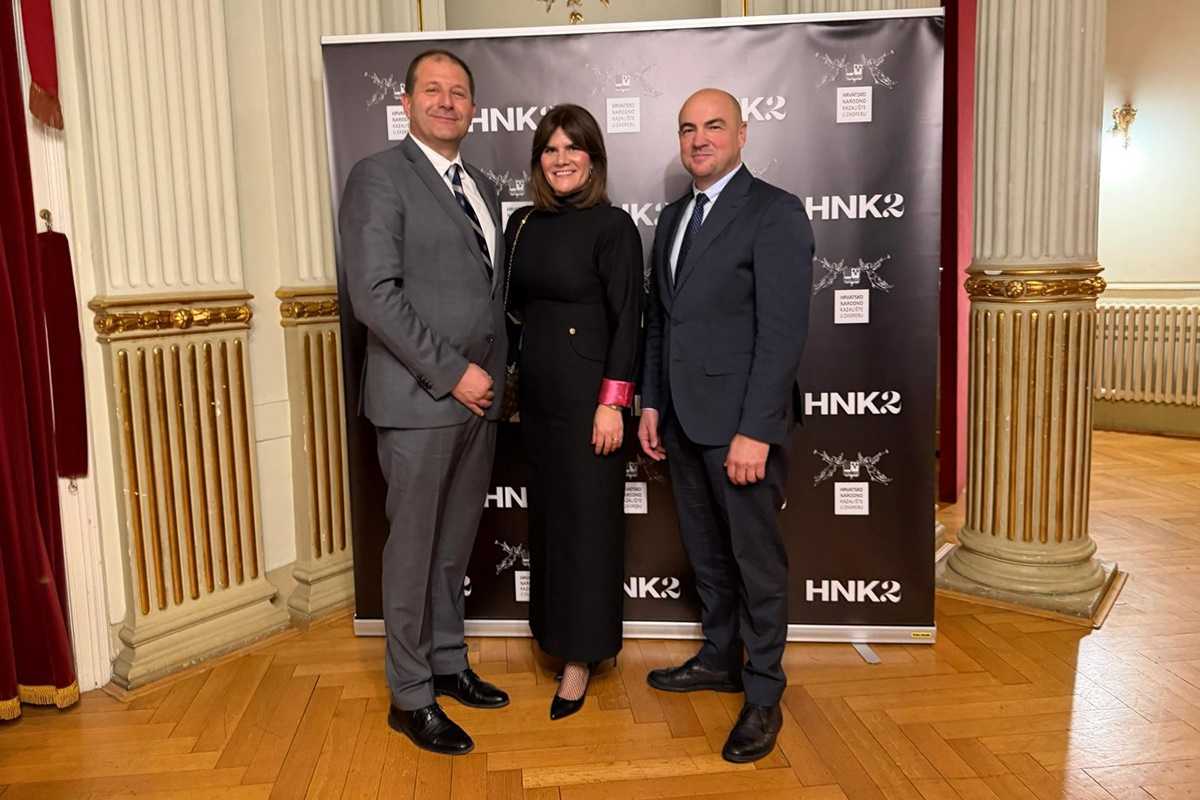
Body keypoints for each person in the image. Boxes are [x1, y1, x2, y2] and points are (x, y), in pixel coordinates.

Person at [339, 49, 510, 756]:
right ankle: (410, 696)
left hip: (478, 401)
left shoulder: (483, 187)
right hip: (419, 400)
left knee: (451, 549)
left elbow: (487, 295)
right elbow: (374, 296)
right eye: (432, 90)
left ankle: (446, 661)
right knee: (412, 554)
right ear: (405, 103)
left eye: (458, 92)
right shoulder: (379, 176)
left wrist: (488, 381)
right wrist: (453, 373)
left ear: (473, 108)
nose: (447, 101)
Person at [638, 88, 814, 763]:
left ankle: (764, 690)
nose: (699, 139)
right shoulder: (674, 217)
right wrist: (651, 403)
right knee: (707, 554)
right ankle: (719, 657)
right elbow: (663, 322)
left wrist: (757, 430)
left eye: (714, 126)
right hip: (681, 422)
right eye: (688, 128)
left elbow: (782, 333)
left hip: (740, 427)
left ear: (742, 134)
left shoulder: (774, 211)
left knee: (755, 562)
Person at [504, 104, 642, 720]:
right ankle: (553, 639)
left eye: (572, 148)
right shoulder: (522, 225)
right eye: (550, 149)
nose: (561, 159)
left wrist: (612, 403)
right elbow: (511, 311)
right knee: (551, 526)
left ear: (593, 158)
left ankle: (582, 659)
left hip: (592, 405)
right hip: (538, 402)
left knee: (588, 528)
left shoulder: (614, 226)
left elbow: (628, 322)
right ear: (539, 161)